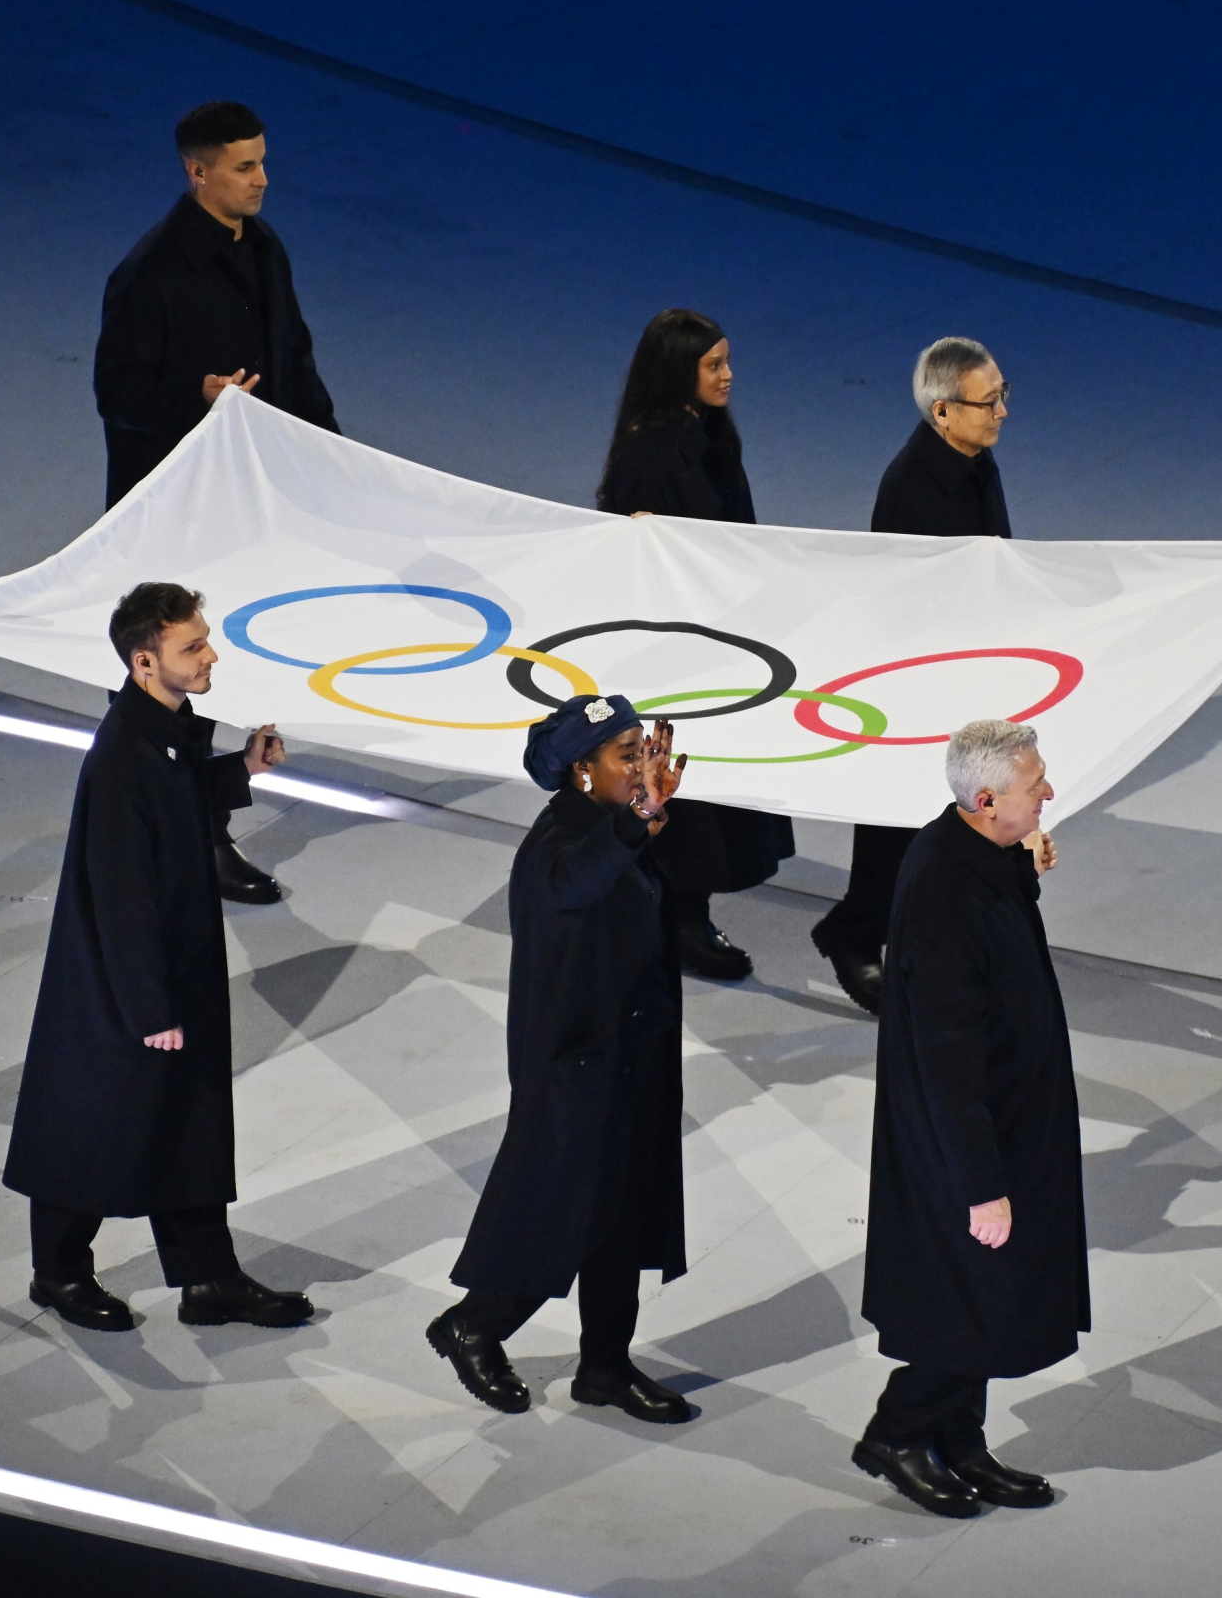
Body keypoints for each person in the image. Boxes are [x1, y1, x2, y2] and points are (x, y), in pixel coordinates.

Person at [1, 583, 315, 1333]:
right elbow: (123, 896)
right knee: (97, 1120)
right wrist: (151, 1008)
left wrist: (241, 768)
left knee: (188, 1120)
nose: (211, 656)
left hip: (171, 972)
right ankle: (58, 1272)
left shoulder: (161, 733)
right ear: (145, 661)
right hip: (127, 987)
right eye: (192, 646)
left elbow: (176, 795)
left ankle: (209, 1278)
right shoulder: (122, 756)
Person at [94, 100, 341, 906]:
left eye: (263, 162)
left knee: (213, 668)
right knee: (172, 676)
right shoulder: (148, 274)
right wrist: (194, 398)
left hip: (245, 508)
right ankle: (188, 838)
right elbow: (117, 392)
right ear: (197, 171)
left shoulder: (265, 250)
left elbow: (295, 360)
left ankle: (194, 820)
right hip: (174, 517)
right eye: (245, 166)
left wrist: (331, 457)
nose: (263, 180)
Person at [427, 695, 695, 1425]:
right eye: (626, 755)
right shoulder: (557, 844)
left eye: (644, 749)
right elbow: (581, 881)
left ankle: (604, 1365)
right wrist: (640, 821)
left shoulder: (616, 825)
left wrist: (642, 818)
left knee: (624, 1213)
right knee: (564, 1211)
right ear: (583, 770)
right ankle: (473, 1325)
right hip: (577, 1066)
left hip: (630, 1055)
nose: (643, 766)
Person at [855, 719, 1082, 1519]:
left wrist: (1022, 865)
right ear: (986, 800)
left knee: (983, 1296)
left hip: (1004, 1121)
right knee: (977, 1295)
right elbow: (948, 1052)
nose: (1048, 792)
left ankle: (959, 1440)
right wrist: (982, 1184)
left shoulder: (973, 852)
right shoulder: (945, 891)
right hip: (968, 1140)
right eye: (1034, 784)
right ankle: (898, 1431)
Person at [811, 337, 1013, 1013]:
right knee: (899, 827)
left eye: (1003, 396)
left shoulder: (976, 461)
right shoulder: (911, 490)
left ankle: (929, 942)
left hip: (966, 667)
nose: (1002, 412)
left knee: (951, 822)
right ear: (943, 412)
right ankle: (855, 932)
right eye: (989, 402)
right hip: (920, 679)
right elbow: (906, 603)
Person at [593, 309, 793, 981]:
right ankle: (676, 917)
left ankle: (682, 909)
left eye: (727, 361)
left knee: (703, 790)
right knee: (679, 793)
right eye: (714, 365)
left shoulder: (713, 434)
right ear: (679, 372)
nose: (728, 375)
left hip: (720, 637)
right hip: (670, 654)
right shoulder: (647, 454)